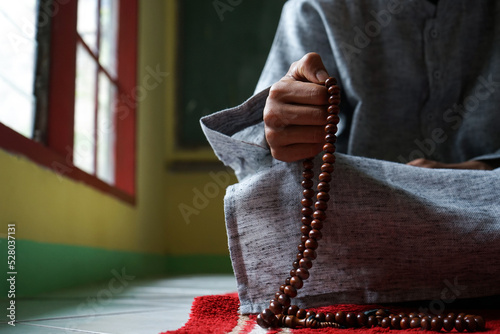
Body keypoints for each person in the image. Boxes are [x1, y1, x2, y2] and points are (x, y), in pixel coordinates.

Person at [201, 0, 500, 314]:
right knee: (288, 193)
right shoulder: (319, 6)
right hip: (358, 213)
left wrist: (479, 170)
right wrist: (277, 129)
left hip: (488, 196)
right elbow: (262, 164)